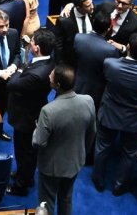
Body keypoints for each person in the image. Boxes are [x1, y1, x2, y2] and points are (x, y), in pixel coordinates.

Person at [92, 32, 137, 196]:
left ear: (127, 47)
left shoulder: (110, 64)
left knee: (102, 147)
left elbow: (104, 77)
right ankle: (120, 185)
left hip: (110, 114)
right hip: (134, 119)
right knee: (129, 152)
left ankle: (98, 180)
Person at [32, 64, 95, 215]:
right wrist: (81, 152)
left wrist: (36, 128)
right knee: (66, 198)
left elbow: (38, 142)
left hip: (51, 168)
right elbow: (92, 133)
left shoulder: (48, 111)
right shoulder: (88, 101)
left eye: (52, 75)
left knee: (46, 203)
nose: (49, 76)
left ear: (57, 85)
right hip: (75, 162)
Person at [6, 28, 57, 197]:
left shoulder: (36, 74)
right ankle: (25, 175)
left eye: (33, 41)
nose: (30, 43)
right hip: (34, 110)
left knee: (24, 151)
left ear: (37, 48)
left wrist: (20, 67)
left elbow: (12, 84)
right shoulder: (49, 61)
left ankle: (21, 185)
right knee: (28, 151)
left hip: (25, 117)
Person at [73, 13, 122, 111]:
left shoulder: (78, 37)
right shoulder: (111, 50)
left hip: (76, 84)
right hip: (96, 91)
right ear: (108, 29)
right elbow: (113, 73)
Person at [53, 0, 94, 66]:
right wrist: (60, 65)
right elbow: (58, 45)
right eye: (88, 5)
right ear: (78, 7)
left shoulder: (92, 11)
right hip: (72, 60)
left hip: (89, 56)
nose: (92, 6)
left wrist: (70, 4)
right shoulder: (64, 21)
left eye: (92, 3)